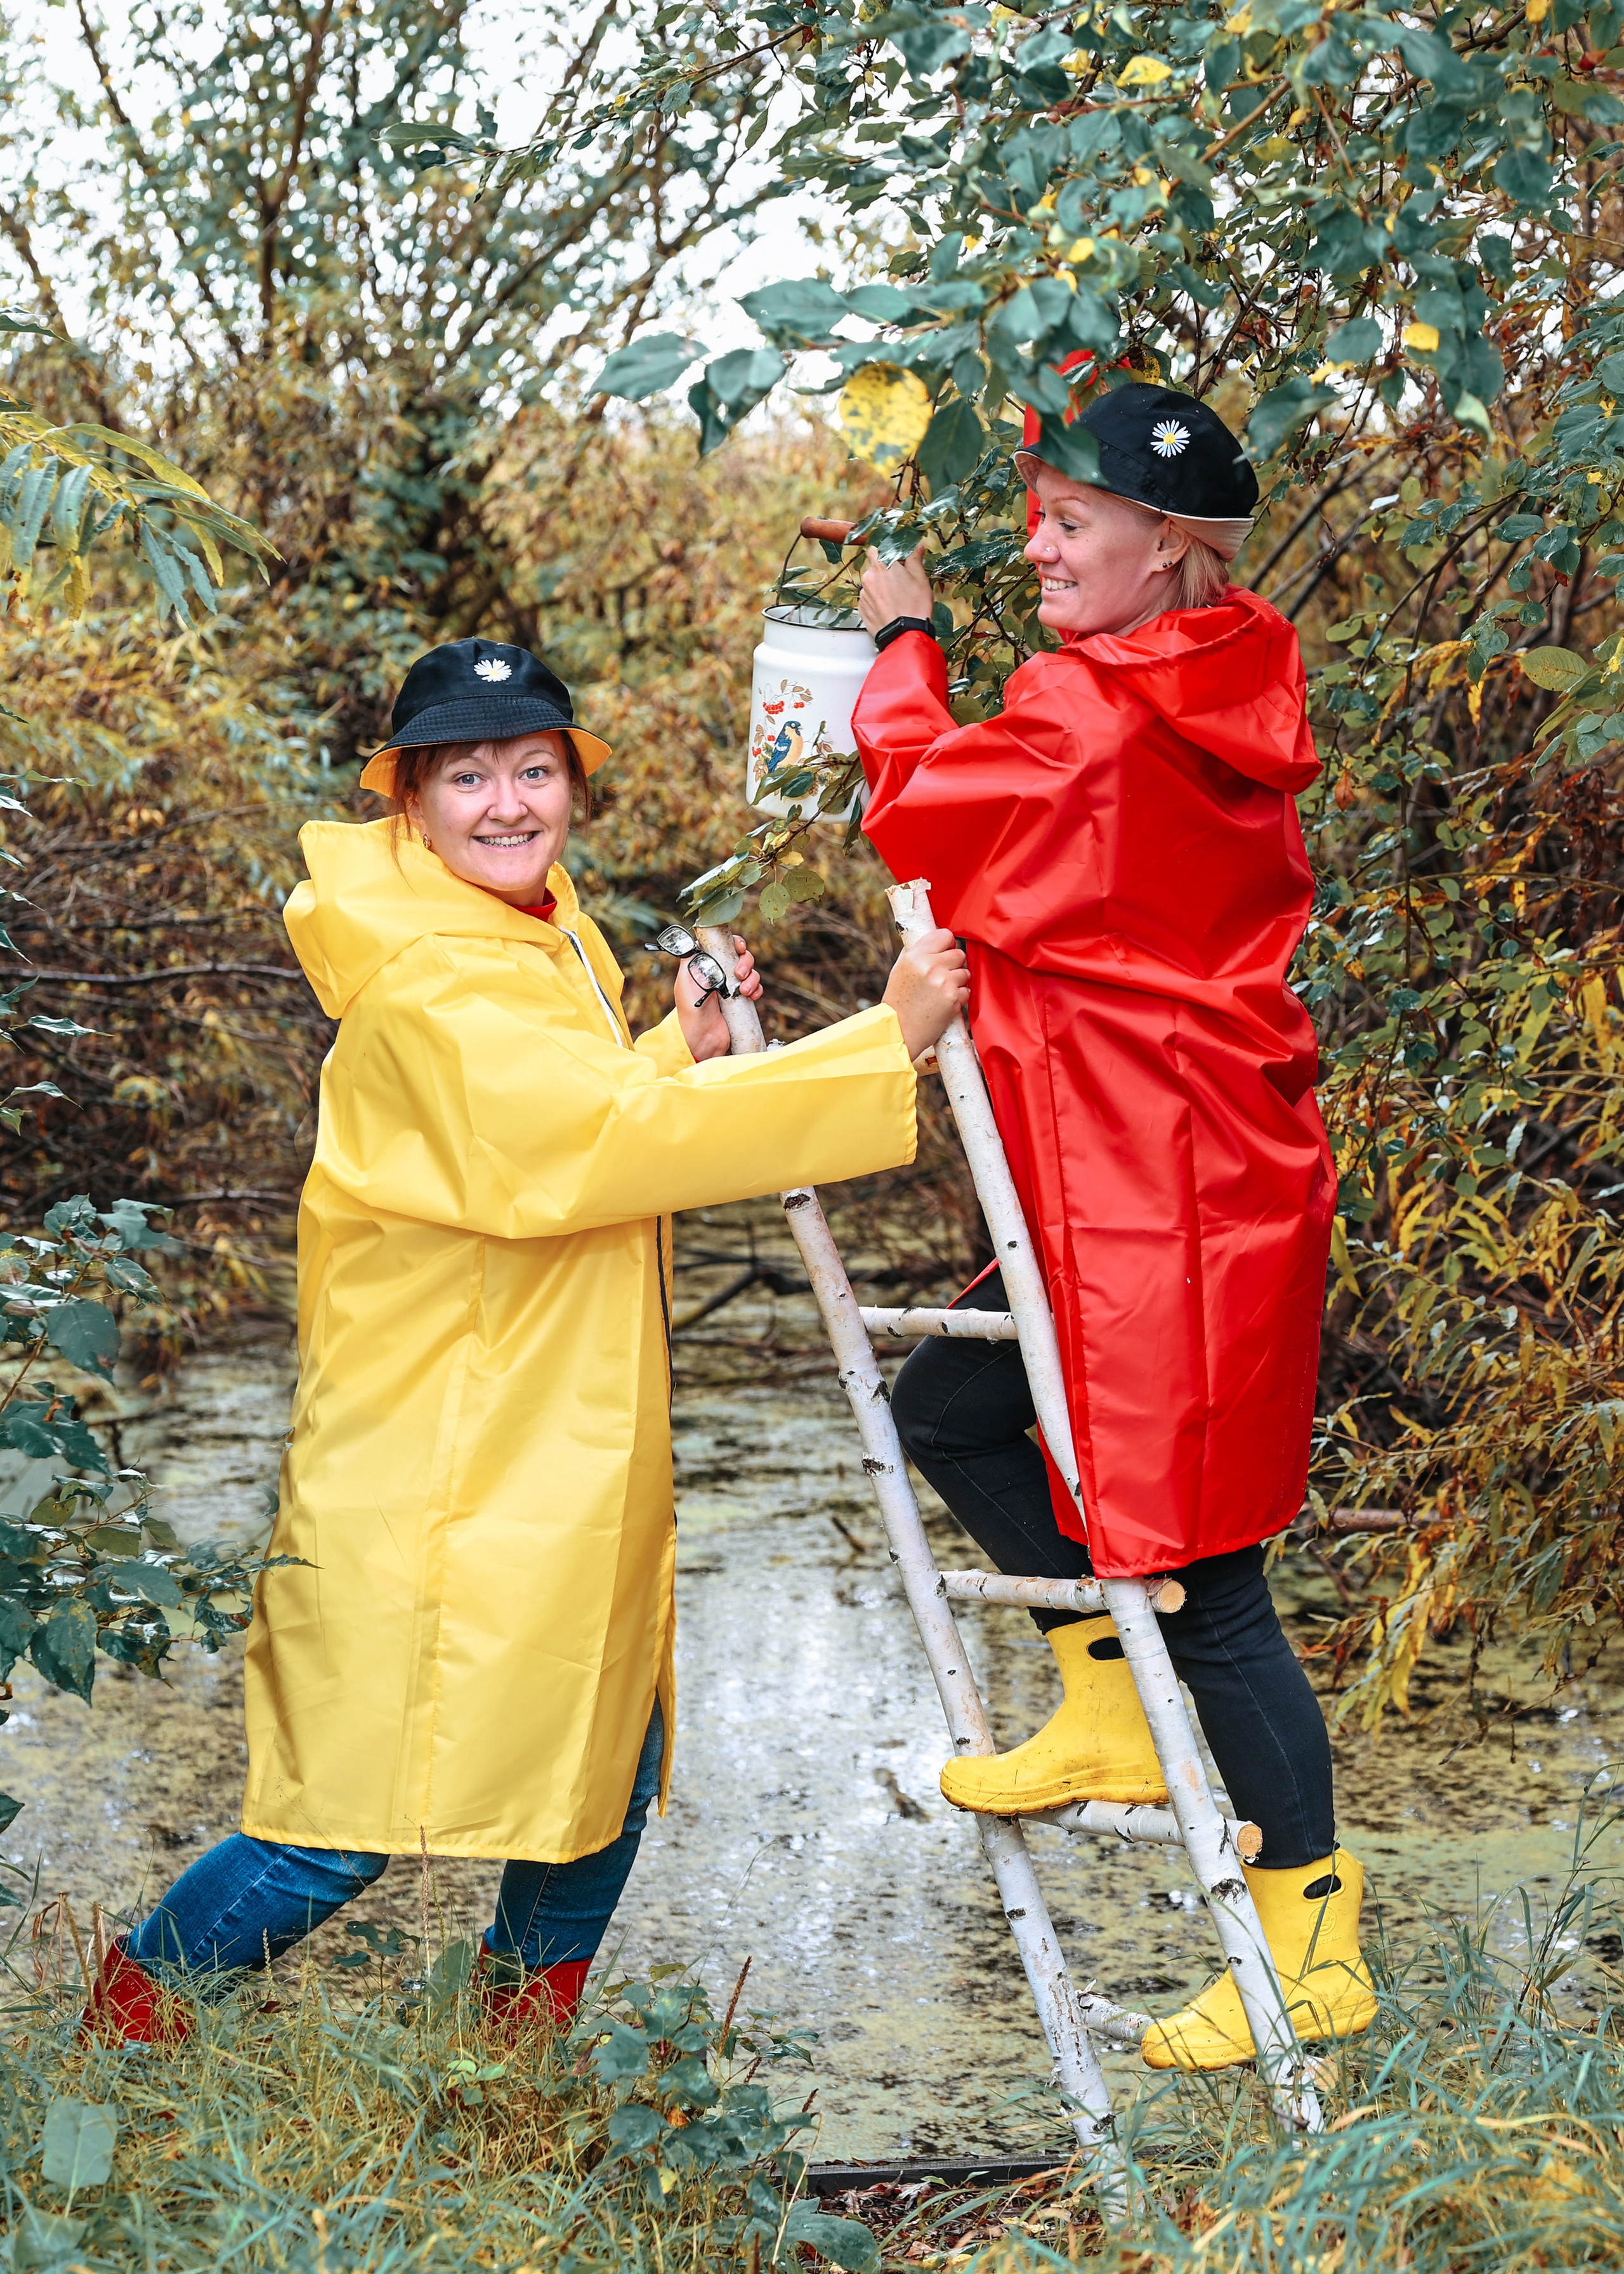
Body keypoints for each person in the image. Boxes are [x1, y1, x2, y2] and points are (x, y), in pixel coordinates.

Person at [82, 635, 969, 2046]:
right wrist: (883, 1041)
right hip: (444, 1449)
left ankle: (510, 2064)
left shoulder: (527, 927)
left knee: (607, 1757)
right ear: (409, 803)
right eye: (468, 776)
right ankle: (116, 2041)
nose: (507, 802)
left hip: (543, 1435)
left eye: (533, 768)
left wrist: (673, 1046)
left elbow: (562, 1118)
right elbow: (597, 1145)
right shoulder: (432, 978)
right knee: (339, 1820)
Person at [850, 383, 1377, 2073]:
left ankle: (1315, 1946)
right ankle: (1098, 1703)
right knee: (948, 1405)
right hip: (1159, 1163)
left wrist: (902, 643)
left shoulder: (1091, 705)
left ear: (1175, 551)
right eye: (1045, 513)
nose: (1043, 543)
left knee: (1213, 1581)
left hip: (1165, 1179)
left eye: (1075, 523)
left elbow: (919, 810)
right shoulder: (1206, 682)